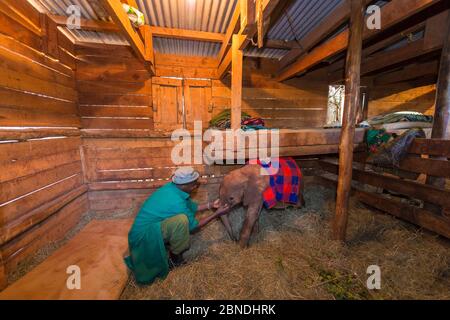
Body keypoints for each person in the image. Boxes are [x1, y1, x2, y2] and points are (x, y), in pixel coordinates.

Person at [124, 167, 229, 285]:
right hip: (143, 238)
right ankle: (175, 259)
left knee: (180, 219)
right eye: (193, 184)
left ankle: (168, 246)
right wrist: (217, 214)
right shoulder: (176, 201)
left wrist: (210, 205)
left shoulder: (172, 189)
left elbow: (191, 206)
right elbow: (194, 227)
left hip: (145, 230)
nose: (196, 186)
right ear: (183, 185)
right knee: (181, 221)